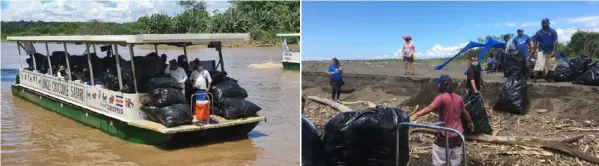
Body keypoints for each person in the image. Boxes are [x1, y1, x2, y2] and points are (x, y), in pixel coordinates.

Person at [410, 75, 474, 166]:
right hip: (458, 134)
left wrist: (416, 114)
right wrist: (470, 122)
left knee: (438, 158)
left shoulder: (441, 98)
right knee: (455, 159)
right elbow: (465, 113)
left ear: (441, 85)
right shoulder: (458, 98)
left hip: (446, 135)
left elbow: (430, 108)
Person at [532, 18, 558, 83]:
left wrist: (554, 52)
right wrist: (535, 51)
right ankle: (534, 78)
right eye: (543, 23)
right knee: (539, 65)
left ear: (548, 23)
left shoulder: (553, 31)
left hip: (550, 51)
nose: (544, 24)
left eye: (545, 23)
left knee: (551, 66)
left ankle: (549, 78)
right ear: (541, 24)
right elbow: (535, 42)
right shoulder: (538, 32)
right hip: (541, 51)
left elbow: (556, 42)